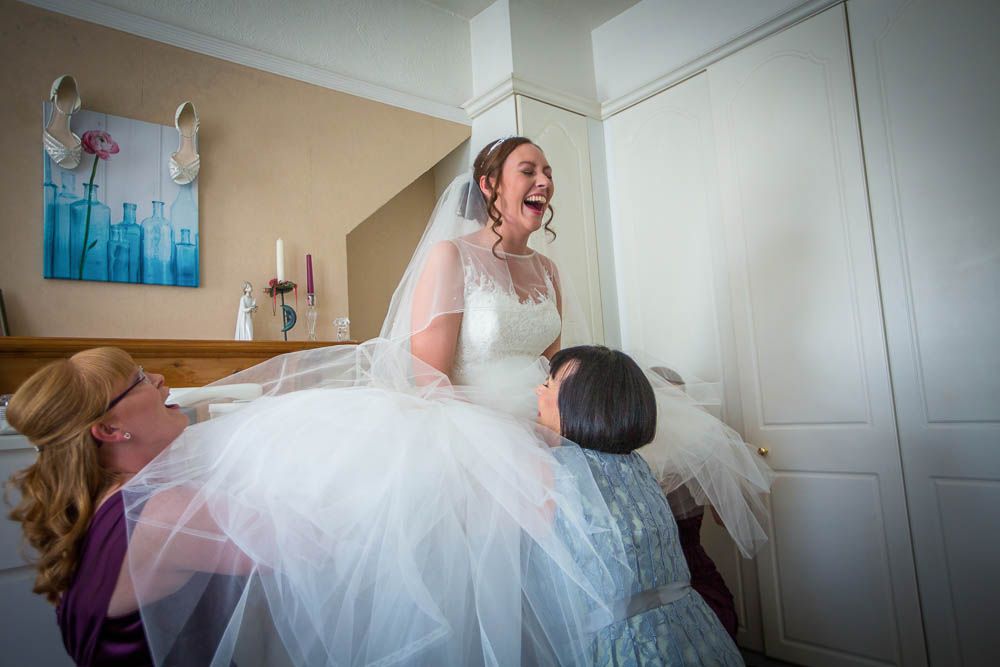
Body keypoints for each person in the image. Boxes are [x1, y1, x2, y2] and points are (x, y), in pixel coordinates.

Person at [4, 347, 252, 666]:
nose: (158, 378)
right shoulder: (165, 513)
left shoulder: (93, 503)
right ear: (109, 430)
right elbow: (307, 548)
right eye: (140, 379)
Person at [532, 345, 743, 665]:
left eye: (548, 384)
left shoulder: (554, 471)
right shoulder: (635, 463)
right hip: (686, 622)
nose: (537, 390)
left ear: (584, 403)